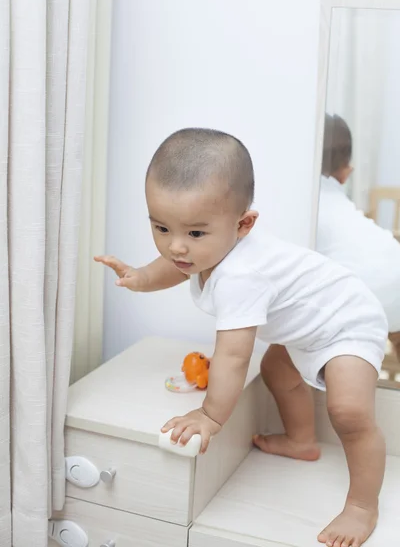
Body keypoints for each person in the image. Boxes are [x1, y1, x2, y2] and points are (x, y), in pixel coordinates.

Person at [96, 128, 388, 547]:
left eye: (195, 233)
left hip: (348, 321)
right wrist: (141, 278)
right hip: (308, 323)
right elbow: (176, 265)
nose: (177, 246)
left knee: (349, 413)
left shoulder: (241, 277)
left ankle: (362, 506)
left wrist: (211, 416)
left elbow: (233, 356)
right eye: (161, 227)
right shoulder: (203, 248)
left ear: (244, 223)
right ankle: (303, 441)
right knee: (278, 371)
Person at [317, 113, 400, 356]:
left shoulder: (306, 195)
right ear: (346, 173)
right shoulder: (339, 200)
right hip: (395, 272)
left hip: (361, 297)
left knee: (279, 366)